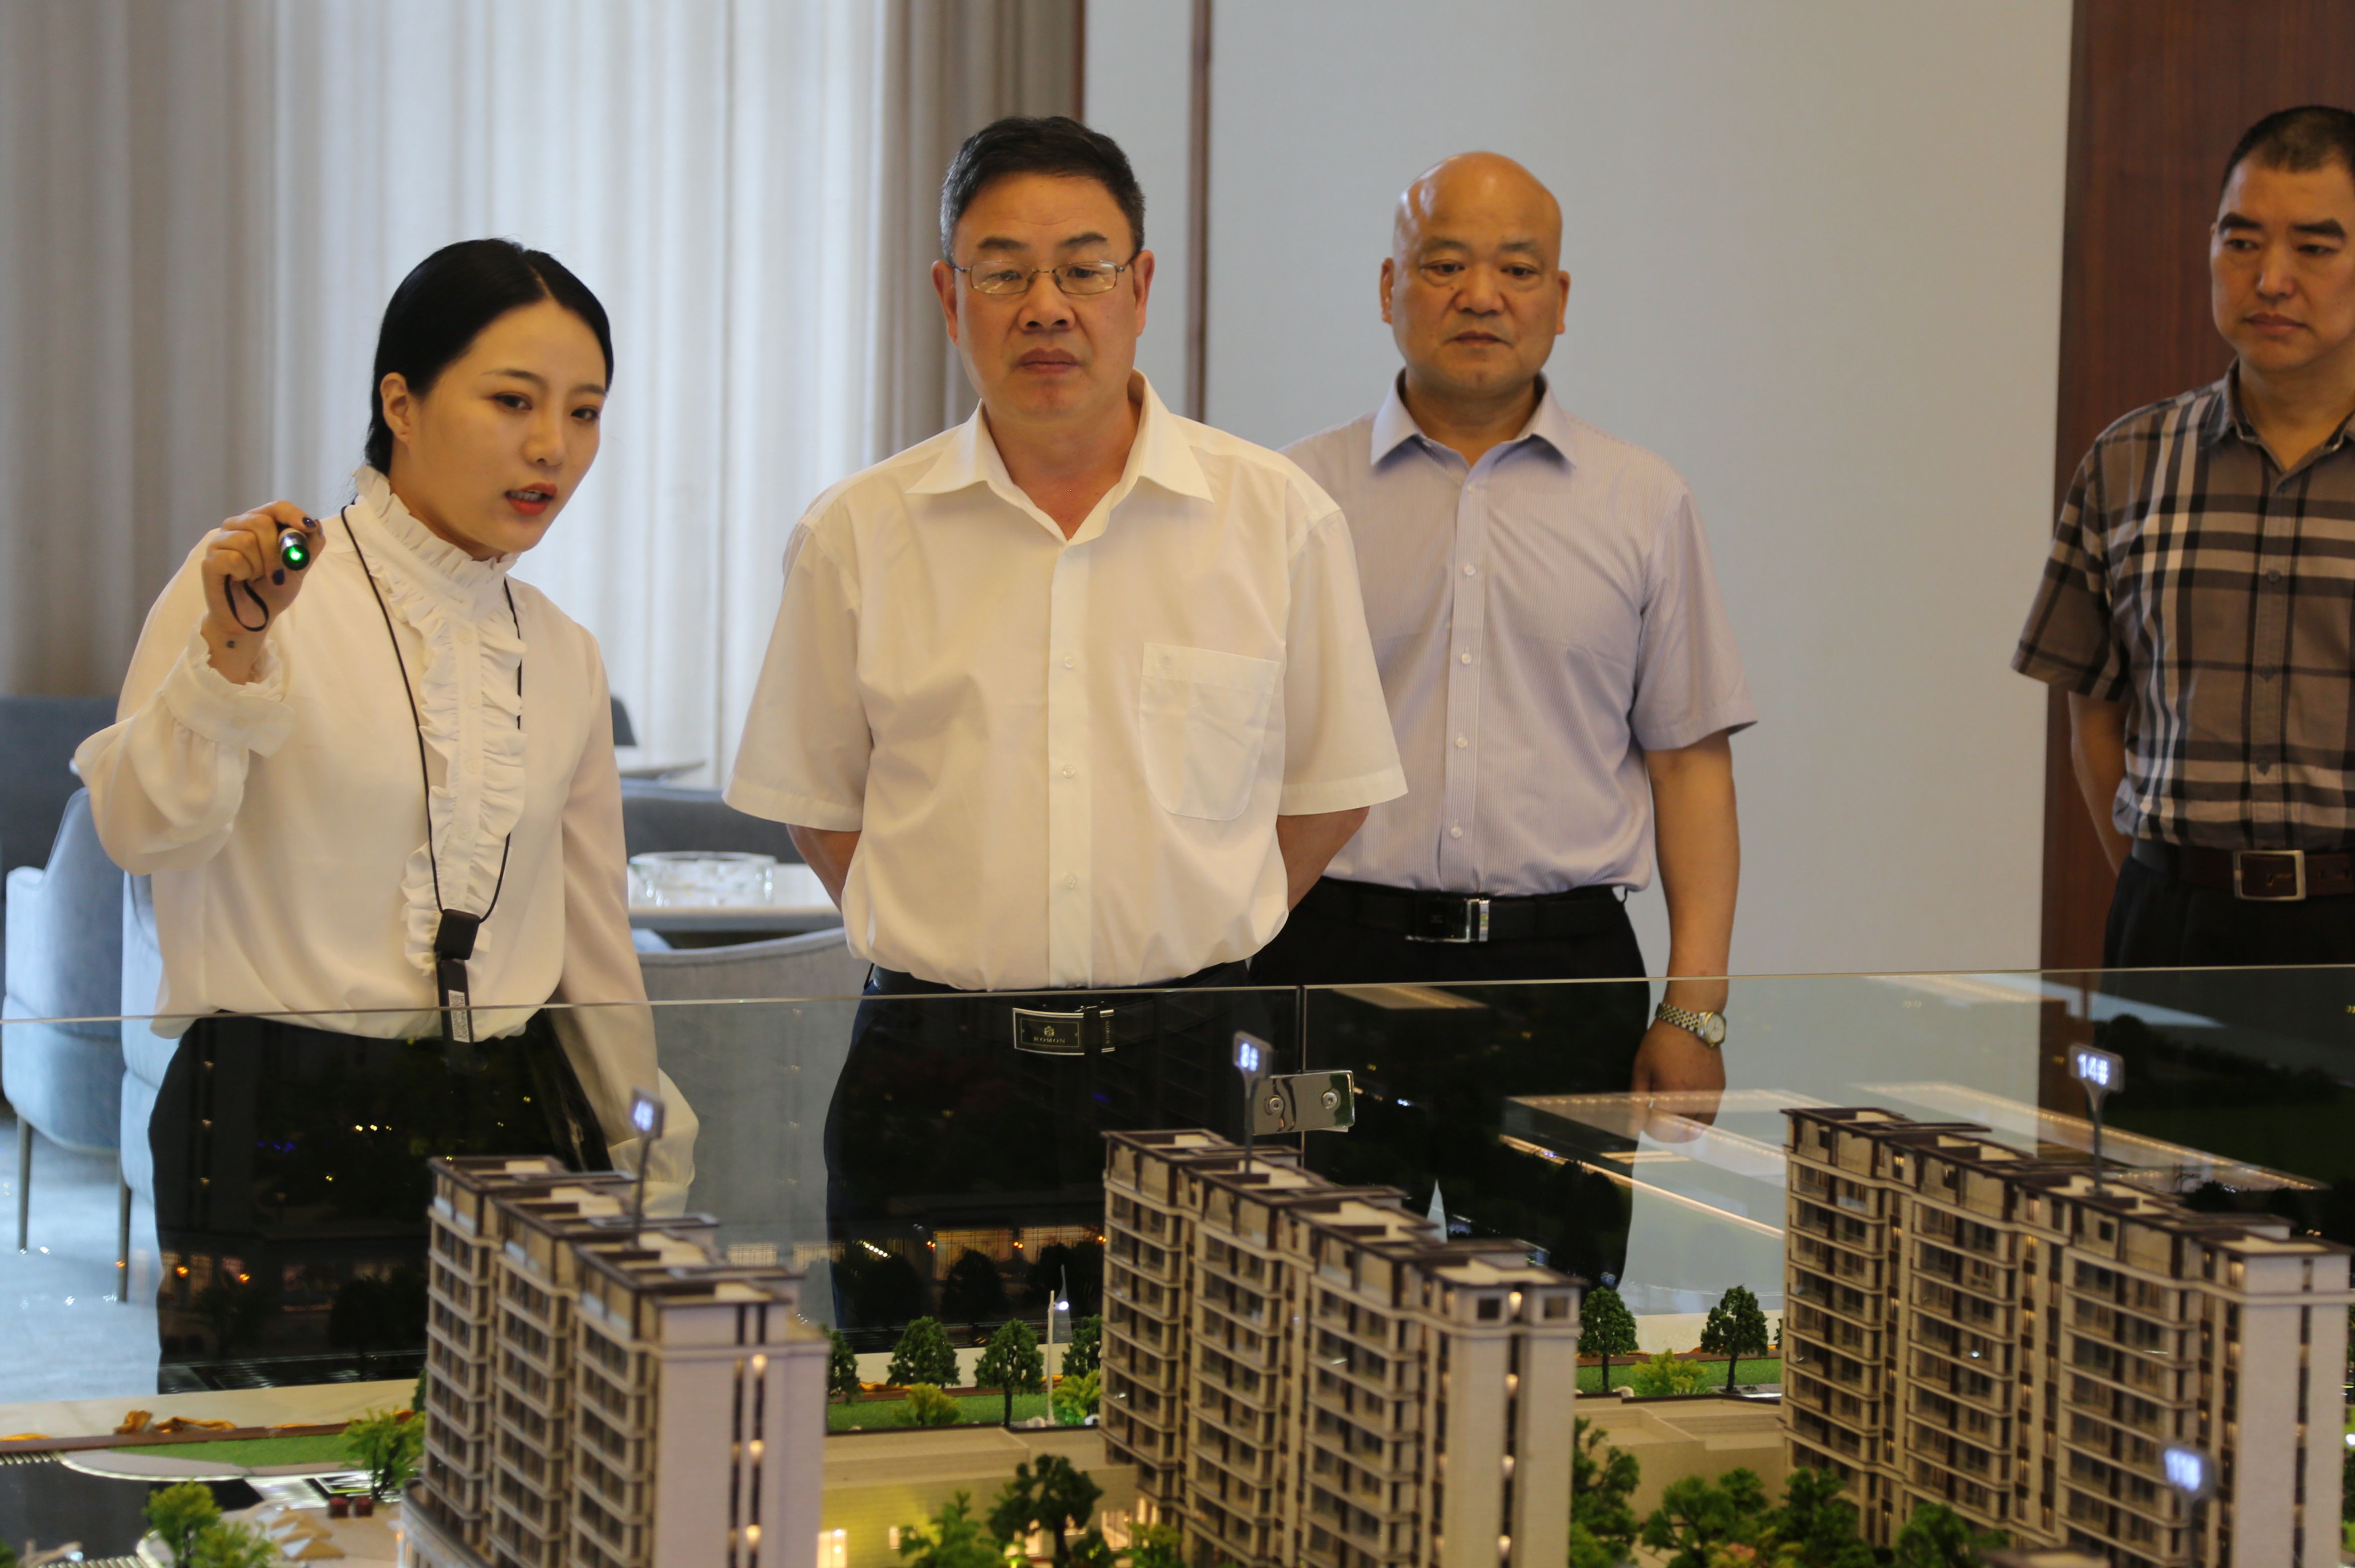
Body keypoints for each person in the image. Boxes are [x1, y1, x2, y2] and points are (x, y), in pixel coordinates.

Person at [726, 115, 1405, 1333]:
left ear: (1140, 287)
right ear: (950, 297)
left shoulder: (1275, 520)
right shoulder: (858, 533)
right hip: (937, 1070)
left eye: (1083, 268)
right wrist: (952, 938)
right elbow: (819, 807)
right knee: (923, 1420)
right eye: (1003, 273)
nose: (1046, 306)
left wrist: (1198, 921)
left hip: (1195, 1064)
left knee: (1214, 1411)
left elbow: (1329, 791)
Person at [78, 239, 691, 1373]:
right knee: (281, 1467)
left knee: (508, 1457)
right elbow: (144, 830)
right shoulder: (258, 590)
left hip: (508, 1118)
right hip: (275, 1118)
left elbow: (592, 939)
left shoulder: (562, 652)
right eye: (513, 400)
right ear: (399, 404)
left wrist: (646, 1148)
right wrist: (233, 651)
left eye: (585, 412)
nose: (553, 447)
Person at [2014, 106, 2355, 1258]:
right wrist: (2179, 879)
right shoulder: (2127, 462)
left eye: (2315, 244)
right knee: (2164, 1291)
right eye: (2240, 239)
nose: (2272, 278)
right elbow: (2094, 718)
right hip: (2178, 936)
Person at [1253, 152, 1754, 1287]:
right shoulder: (1291, 498)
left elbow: (1690, 767)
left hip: (1561, 983)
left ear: (1560, 299)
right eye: (1444, 265)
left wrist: (1696, 1012)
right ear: (1390, 288)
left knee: (1552, 1321)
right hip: (1329, 967)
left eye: (1517, 269)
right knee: (1309, 1312)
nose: (1481, 295)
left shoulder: (1643, 502)